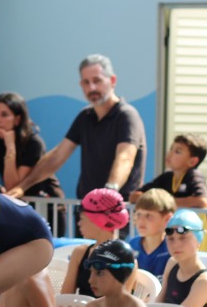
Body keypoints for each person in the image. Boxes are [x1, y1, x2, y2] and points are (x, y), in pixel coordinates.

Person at [8, 54, 146, 199]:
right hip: (87, 210)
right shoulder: (85, 116)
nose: (91, 87)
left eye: (97, 81)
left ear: (112, 80)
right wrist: (22, 187)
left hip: (117, 213)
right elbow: (57, 156)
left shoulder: (126, 115)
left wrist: (108, 194)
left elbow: (125, 158)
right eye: (86, 82)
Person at [0, 92, 62, 198]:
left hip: (46, 203)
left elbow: (13, 187)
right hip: (17, 202)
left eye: (4, 115)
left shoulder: (34, 143)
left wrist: (10, 147)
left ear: (17, 119)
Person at [62, 188, 132, 299]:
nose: (79, 223)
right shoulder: (79, 254)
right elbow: (64, 300)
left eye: (82, 218)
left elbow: (121, 304)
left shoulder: (127, 261)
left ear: (99, 220)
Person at [157, 209, 207, 307]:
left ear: (199, 240)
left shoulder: (205, 282)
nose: (176, 245)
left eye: (183, 238)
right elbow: (158, 304)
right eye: (170, 239)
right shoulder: (172, 263)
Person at [131, 133, 207, 208]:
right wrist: (156, 200)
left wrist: (166, 202)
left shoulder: (194, 176)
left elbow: (202, 201)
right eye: (171, 149)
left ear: (192, 161)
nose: (169, 154)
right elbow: (134, 196)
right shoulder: (166, 177)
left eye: (177, 152)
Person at [129, 189, 174, 278]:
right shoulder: (131, 245)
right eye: (138, 214)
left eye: (148, 216)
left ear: (167, 219)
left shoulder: (172, 249)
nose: (141, 220)